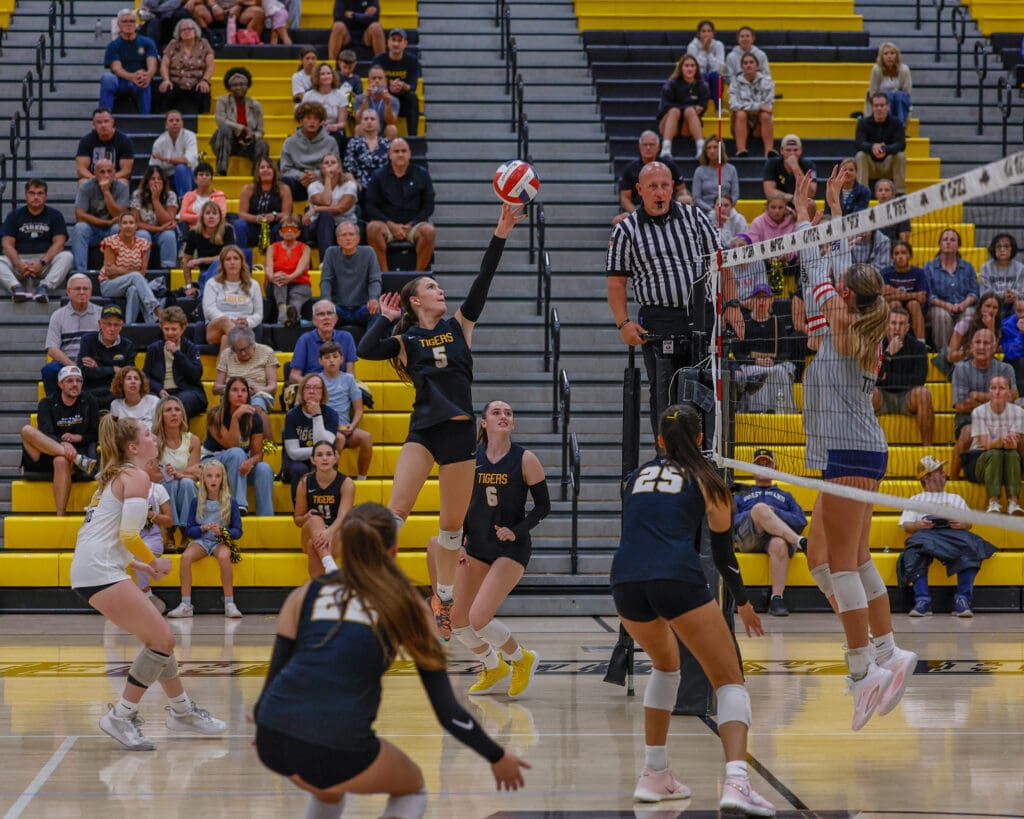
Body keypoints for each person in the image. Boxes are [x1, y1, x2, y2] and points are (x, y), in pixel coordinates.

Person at [254, 502, 528, 818]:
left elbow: (273, 682)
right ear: (394, 548)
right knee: (411, 789)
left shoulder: (304, 595)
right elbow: (447, 712)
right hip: (338, 741)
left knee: (329, 791)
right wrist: (497, 756)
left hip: (273, 737)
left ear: (341, 546)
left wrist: (270, 726)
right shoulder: (406, 603)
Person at [357, 204, 524, 639]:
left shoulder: (459, 325)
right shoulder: (406, 340)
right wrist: (384, 319)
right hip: (425, 430)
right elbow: (365, 351)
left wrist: (500, 231)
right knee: (398, 508)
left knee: (451, 528)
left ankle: (443, 600)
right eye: (431, 287)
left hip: (460, 434)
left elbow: (482, 283)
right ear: (415, 300)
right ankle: (365, 584)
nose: (440, 291)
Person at [794, 166, 917, 731]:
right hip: (851, 451)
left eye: (841, 286)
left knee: (840, 562)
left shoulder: (845, 325)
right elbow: (831, 269)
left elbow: (819, 271)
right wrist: (835, 209)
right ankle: (889, 653)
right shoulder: (857, 317)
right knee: (825, 558)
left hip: (852, 455)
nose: (835, 288)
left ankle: (861, 670)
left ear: (848, 296)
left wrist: (805, 221)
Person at [611, 404, 772, 813]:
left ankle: (654, 774)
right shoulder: (709, 481)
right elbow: (723, 557)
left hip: (625, 583)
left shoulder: (634, 478)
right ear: (701, 439)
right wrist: (746, 603)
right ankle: (736, 781)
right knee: (730, 679)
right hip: (676, 578)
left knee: (667, 667)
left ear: (660, 440)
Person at [69, 414, 227, 750]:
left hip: (93, 567)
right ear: (133, 446)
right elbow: (128, 534)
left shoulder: (118, 476)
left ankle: (182, 711)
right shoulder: (137, 476)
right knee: (163, 637)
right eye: (146, 433)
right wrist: (154, 560)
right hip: (98, 569)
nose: (153, 436)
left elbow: (110, 537)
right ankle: (121, 715)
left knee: (159, 638)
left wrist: (144, 565)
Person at [606, 161, 743, 434]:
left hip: (702, 316)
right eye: (653, 187)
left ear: (673, 187)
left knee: (703, 391)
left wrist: (732, 305)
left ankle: (704, 458)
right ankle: (666, 458)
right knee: (664, 394)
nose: (659, 192)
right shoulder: (626, 230)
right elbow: (616, 282)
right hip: (659, 321)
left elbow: (721, 264)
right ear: (639, 190)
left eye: (665, 185)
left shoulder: (695, 218)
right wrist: (623, 323)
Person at [450, 400, 550, 698]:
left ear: (513, 424)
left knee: (479, 618)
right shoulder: (471, 458)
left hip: (511, 549)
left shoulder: (525, 459)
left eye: (508, 413)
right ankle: (492, 665)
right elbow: (461, 503)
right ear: (484, 423)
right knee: (458, 621)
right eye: (496, 412)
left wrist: (515, 530)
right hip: (476, 547)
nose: (503, 416)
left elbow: (543, 507)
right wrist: (460, 542)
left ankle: (522, 658)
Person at [898, 455, 997, 617]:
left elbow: (969, 523)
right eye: (939, 471)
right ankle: (922, 600)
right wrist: (919, 525)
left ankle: (962, 600)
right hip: (926, 536)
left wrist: (962, 524)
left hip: (953, 535)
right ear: (926, 477)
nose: (944, 474)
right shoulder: (915, 499)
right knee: (913, 551)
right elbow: (906, 525)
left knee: (972, 547)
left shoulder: (955, 498)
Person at [734, 448, 808, 616]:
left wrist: (776, 512)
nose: (763, 466)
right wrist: (755, 514)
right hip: (749, 537)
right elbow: (730, 521)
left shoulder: (785, 495)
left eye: (767, 464)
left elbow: (801, 521)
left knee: (780, 544)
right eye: (759, 464)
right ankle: (799, 541)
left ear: (774, 468)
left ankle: (777, 599)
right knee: (760, 508)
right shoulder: (741, 492)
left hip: (775, 538)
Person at [167, 458, 245, 619]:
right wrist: (201, 528)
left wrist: (223, 532)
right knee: (186, 557)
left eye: (217, 476)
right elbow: (190, 530)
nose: (213, 480)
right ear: (203, 478)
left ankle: (230, 603)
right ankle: (186, 604)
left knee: (224, 556)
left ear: (223, 478)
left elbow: (238, 531)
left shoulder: (231, 502)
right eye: (209, 476)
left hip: (220, 541)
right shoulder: (197, 501)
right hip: (202, 541)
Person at [21, 365, 99, 515]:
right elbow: (46, 432)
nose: (75, 384)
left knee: (61, 460)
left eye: (78, 381)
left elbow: (95, 434)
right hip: (47, 452)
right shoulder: (47, 403)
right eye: (69, 381)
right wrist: (62, 444)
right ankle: (76, 458)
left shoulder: (90, 401)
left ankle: (60, 515)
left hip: (74, 455)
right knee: (26, 430)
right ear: (60, 384)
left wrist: (79, 437)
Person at [203, 375, 275, 516]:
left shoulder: (254, 417)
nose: (240, 394)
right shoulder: (215, 414)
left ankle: (266, 516)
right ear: (227, 393)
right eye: (235, 390)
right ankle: (238, 506)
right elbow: (232, 445)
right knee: (236, 453)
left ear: (248, 395)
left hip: (239, 465)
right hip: (212, 462)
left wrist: (250, 462)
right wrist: (236, 417)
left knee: (264, 469)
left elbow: (258, 455)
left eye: (243, 390)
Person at [950, 329, 1017, 479]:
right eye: (978, 342)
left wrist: (977, 395)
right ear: (971, 346)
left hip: (1002, 419)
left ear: (994, 347)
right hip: (969, 420)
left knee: (1021, 433)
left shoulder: (1006, 368)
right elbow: (961, 406)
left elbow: (1011, 399)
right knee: (967, 432)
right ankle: (952, 479)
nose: (981, 347)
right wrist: (996, 399)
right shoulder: (960, 369)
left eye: (986, 343)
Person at [366, 138, 436, 272]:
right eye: (396, 151)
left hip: (413, 224)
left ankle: (418, 276)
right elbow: (370, 206)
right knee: (372, 228)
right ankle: (384, 274)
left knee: (429, 231)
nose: (400, 154)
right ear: (390, 155)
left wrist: (411, 224)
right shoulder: (378, 176)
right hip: (387, 224)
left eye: (404, 151)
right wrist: (391, 224)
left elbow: (429, 206)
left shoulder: (422, 174)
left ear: (410, 153)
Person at [1, 178, 73, 304]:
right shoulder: (14, 215)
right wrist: (19, 264)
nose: (35, 197)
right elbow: (7, 244)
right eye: (32, 193)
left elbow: (60, 243)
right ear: (25, 195)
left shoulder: (55, 215)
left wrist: (42, 263)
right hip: (19, 260)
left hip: (46, 262)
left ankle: (44, 287)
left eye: (40, 193)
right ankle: (17, 288)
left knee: (67, 256)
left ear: (45, 196)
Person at [292, 440, 355, 578]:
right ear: (313, 460)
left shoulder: (346, 483)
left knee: (312, 545)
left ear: (336, 457)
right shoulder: (305, 482)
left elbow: (343, 516)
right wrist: (307, 517)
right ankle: (329, 564)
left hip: (336, 534)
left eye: (328, 454)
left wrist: (329, 532)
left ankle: (318, 590)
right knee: (315, 519)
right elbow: (297, 520)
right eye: (319, 455)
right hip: (311, 530)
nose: (325, 458)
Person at [731, 284, 797, 413]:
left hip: (773, 364)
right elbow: (737, 353)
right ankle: (756, 411)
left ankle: (783, 412)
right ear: (751, 300)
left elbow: (785, 351)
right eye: (758, 298)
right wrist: (755, 361)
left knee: (781, 372)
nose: (761, 301)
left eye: (765, 298)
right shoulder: (743, 322)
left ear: (771, 300)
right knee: (756, 372)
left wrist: (773, 361)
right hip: (750, 365)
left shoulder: (778, 322)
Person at [873, 306, 934, 446]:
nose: (897, 328)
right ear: (886, 325)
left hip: (907, 398)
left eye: (901, 324)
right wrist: (888, 354)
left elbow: (919, 380)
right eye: (893, 323)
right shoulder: (876, 344)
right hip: (882, 397)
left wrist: (886, 378)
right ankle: (862, 447)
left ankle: (928, 448)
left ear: (908, 327)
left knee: (923, 393)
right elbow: (873, 378)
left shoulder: (918, 347)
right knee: (867, 392)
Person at [964, 375, 1024, 515]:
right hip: (980, 461)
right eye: (993, 388)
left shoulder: (1019, 412)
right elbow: (986, 445)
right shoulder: (978, 412)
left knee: (1011, 453)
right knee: (995, 452)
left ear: (1009, 392)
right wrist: (1004, 441)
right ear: (989, 392)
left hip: (1008, 460)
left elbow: (1015, 442)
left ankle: (1013, 504)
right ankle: (993, 503)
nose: (997, 392)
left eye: (1002, 388)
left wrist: (1011, 443)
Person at [153, 394, 201, 550]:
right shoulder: (153, 441)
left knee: (186, 483)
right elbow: (152, 476)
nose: (173, 413)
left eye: (177, 410)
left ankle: (187, 533)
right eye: (168, 410)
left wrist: (179, 474)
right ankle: (169, 534)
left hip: (186, 487)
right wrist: (178, 474)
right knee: (169, 484)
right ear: (161, 415)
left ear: (182, 414)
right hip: (162, 489)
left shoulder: (192, 440)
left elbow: (196, 474)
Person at [318, 340, 373, 479]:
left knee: (366, 437)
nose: (331, 360)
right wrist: (335, 426)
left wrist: (352, 425)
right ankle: (330, 477)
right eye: (327, 357)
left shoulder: (349, 379)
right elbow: (316, 410)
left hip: (346, 428)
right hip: (325, 428)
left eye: (335, 357)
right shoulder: (317, 380)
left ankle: (362, 478)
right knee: (339, 438)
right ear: (320, 361)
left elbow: (359, 409)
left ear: (341, 359)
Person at [613, 131, 690, 226]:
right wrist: (638, 213)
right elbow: (625, 198)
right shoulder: (630, 168)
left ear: (658, 147)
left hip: (667, 206)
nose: (648, 147)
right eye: (645, 144)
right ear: (640, 147)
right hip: (639, 208)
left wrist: (684, 196)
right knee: (618, 221)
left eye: (651, 144)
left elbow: (682, 189)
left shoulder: (669, 166)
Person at [42, 274, 101, 396]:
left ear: (91, 291)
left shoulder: (101, 313)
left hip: (94, 364)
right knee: (50, 370)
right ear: (68, 292)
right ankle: (55, 407)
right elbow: (52, 349)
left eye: (85, 289)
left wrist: (97, 362)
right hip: (67, 364)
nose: (82, 292)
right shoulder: (58, 316)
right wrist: (74, 367)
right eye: (77, 288)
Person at [282, 372, 341, 496]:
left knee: (325, 467)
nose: (311, 391)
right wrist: (318, 453)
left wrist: (317, 416)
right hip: (295, 462)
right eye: (307, 387)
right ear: (302, 392)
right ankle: (299, 512)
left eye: (316, 388)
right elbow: (293, 453)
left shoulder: (331, 415)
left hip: (320, 461)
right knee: (301, 469)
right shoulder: (292, 415)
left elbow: (325, 445)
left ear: (323, 393)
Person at [98, 212, 162, 324]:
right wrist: (132, 274)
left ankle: (128, 325)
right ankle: (156, 309)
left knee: (134, 290)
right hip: (109, 285)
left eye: (131, 223)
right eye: (125, 223)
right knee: (135, 277)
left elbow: (142, 273)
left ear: (136, 226)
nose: (128, 226)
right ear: (119, 226)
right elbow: (110, 273)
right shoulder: (111, 242)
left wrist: (119, 270)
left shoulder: (143, 244)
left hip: (132, 284)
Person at [319, 222, 381, 336]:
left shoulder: (368, 252)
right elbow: (326, 280)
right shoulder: (331, 252)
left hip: (362, 307)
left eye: (351, 234)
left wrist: (373, 298)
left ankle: (370, 349)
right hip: (338, 308)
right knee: (321, 312)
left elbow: (375, 280)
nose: (348, 238)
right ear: (338, 239)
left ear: (358, 238)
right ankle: (327, 349)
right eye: (344, 235)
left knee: (380, 313)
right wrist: (326, 300)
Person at [215, 324, 279, 430]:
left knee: (256, 408)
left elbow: (273, 387)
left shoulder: (267, 352)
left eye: (245, 348)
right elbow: (216, 388)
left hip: (258, 394)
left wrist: (259, 390)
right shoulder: (226, 354)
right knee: (227, 409)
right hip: (232, 395)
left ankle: (267, 445)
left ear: (252, 343)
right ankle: (233, 443)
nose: (243, 353)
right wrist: (235, 390)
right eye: (238, 350)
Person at [925, 228, 979, 352]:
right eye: (945, 239)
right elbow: (928, 295)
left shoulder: (968, 267)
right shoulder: (929, 267)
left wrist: (963, 304)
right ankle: (945, 354)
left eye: (952, 240)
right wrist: (946, 305)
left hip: (963, 306)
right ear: (940, 244)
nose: (948, 242)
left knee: (971, 313)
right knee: (941, 315)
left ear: (958, 245)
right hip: (939, 307)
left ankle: (963, 352)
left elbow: (975, 292)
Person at [71, 158, 130, 272]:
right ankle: (81, 273)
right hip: (93, 230)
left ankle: (115, 270)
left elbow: (120, 215)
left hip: (112, 230)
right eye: (102, 172)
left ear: (114, 172)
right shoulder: (86, 186)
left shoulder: (122, 187)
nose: (106, 175)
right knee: (80, 228)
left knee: (118, 228)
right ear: (95, 173)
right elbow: (80, 215)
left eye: (109, 171)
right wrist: (106, 222)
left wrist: (106, 192)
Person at [211, 67, 270, 178]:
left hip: (247, 143)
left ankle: (257, 176)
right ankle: (221, 170)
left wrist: (252, 137)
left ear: (247, 86)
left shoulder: (256, 105)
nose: (239, 87)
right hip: (227, 141)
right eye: (235, 85)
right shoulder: (222, 101)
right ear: (229, 87)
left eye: (242, 84)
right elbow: (221, 121)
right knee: (224, 129)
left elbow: (260, 131)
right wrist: (243, 128)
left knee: (263, 145)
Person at [78, 304, 138, 412]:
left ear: (121, 326)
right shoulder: (87, 340)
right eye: (108, 324)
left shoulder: (128, 346)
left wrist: (98, 367)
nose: (112, 329)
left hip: (115, 392)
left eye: (116, 325)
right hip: (90, 391)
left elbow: (128, 375)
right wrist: (114, 369)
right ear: (100, 324)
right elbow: (83, 371)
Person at [202, 245, 264, 348]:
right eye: (228, 259)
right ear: (222, 263)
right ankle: (247, 349)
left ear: (241, 262)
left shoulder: (253, 285)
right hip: (215, 328)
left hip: (244, 328)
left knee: (226, 338)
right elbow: (209, 310)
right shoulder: (212, 283)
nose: (232, 262)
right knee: (224, 321)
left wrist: (247, 322)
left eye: (236, 258)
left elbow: (258, 314)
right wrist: (231, 321)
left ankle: (223, 364)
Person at [98, 9, 158, 115]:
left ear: (136, 24)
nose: (128, 24)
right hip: (121, 81)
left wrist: (147, 75)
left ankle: (145, 119)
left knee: (144, 81)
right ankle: (104, 116)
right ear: (119, 25)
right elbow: (116, 68)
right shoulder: (113, 46)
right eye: (125, 21)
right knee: (107, 78)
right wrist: (132, 76)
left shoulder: (147, 42)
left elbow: (152, 63)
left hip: (140, 80)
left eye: (131, 21)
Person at [304, 152, 358, 262]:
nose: (329, 165)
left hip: (344, 224)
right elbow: (326, 202)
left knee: (332, 218)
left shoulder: (350, 185)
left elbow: (340, 209)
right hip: (319, 226)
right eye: (326, 163)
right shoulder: (313, 186)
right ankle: (325, 262)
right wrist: (328, 179)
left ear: (339, 168)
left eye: (333, 162)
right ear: (321, 169)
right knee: (326, 215)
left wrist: (316, 209)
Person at [280, 102, 338, 202]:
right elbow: (285, 169)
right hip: (298, 182)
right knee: (283, 182)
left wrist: (317, 175)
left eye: (316, 119)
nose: (312, 122)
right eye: (308, 118)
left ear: (320, 122)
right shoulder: (289, 142)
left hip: (323, 182)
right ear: (301, 121)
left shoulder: (330, 142)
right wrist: (302, 176)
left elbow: (335, 167)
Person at [289, 300, 359, 381]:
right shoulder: (305, 340)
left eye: (329, 313)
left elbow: (350, 374)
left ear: (336, 318)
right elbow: (294, 376)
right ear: (314, 320)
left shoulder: (347, 337)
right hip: (313, 388)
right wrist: (316, 385)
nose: (326, 317)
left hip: (340, 387)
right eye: (321, 314)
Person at [656, 55, 709, 160]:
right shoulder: (671, 84)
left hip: (687, 125)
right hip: (668, 123)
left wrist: (691, 109)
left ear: (697, 68)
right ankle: (665, 149)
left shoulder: (702, 86)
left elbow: (702, 107)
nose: (690, 68)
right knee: (675, 111)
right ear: (681, 68)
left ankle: (701, 148)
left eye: (692, 66)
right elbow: (665, 106)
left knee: (690, 111)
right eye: (686, 66)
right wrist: (688, 107)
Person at [158, 19, 214, 117]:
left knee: (205, 89)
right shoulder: (173, 44)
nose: (187, 31)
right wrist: (166, 80)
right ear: (179, 33)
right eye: (183, 30)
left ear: (195, 30)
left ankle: (204, 118)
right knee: (166, 88)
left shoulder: (204, 43)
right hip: (176, 81)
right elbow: (164, 64)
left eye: (189, 29)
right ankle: (166, 118)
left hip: (196, 81)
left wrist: (204, 80)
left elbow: (210, 65)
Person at [372, 28, 421, 137]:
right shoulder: (378, 60)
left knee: (413, 97)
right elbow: (373, 83)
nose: (396, 44)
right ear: (388, 42)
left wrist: (402, 86)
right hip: (384, 97)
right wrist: (389, 88)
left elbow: (413, 86)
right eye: (393, 40)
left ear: (405, 43)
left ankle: (413, 137)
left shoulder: (412, 60)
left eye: (399, 41)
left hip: (403, 100)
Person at [235, 157, 293, 249]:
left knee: (284, 225)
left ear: (274, 171)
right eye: (262, 168)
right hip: (253, 228)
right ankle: (241, 257)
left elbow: (287, 213)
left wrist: (274, 216)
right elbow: (242, 214)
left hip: (274, 228)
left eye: (269, 167)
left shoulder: (284, 189)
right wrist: (256, 218)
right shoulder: (248, 189)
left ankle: (281, 259)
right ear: (257, 172)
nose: (265, 170)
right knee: (239, 224)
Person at [182, 201, 237, 295]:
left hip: (225, 272)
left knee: (218, 263)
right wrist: (189, 286)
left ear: (220, 217)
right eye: (207, 213)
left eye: (214, 213)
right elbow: (186, 260)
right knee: (206, 278)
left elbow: (227, 257)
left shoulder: (227, 230)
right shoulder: (194, 233)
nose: (211, 216)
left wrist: (201, 260)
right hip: (205, 273)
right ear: (202, 217)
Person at [855, 94, 907, 195]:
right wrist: (872, 147)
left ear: (888, 107)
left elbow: (901, 144)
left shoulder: (896, 123)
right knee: (860, 155)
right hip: (871, 166)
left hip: (888, 165)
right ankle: (862, 193)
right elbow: (858, 144)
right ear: (872, 107)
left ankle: (900, 194)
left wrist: (885, 149)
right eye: (876, 105)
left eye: (882, 105)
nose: (879, 108)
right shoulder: (863, 123)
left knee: (900, 156)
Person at [134, 479, 172, 614]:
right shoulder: (124, 487)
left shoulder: (158, 489)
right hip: (131, 536)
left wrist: (152, 515)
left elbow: (169, 521)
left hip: (152, 537)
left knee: (140, 552)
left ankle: (145, 594)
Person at [266, 214, 312, 324]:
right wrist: (272, 277)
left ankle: (293, 314)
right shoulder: (272, 248)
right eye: (286, 228)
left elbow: (301, 268)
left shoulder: (305, 248)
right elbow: (268, 267)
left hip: (300, 283)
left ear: (298, 233)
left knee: (295, 296)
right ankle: (282, 311)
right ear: (280, 232)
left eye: (293, 228)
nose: (289, 231)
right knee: (280, 279)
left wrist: (290, 277)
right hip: (275, 284)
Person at [727, 53, 775, 157]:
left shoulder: (767, 81)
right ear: (741, 66)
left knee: (765, 115)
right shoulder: (735, 82)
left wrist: (750, 107)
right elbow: (734, 105)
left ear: (757, 65)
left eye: (751, 62)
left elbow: (768, 106)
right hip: (741, 123)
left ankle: (769, 151)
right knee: (740, 114)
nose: (748, 65)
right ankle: (741, 150)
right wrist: (758, 107)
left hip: (759, 124)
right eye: (745, 63)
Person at [131, 167, 179, 270]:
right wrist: (159, 229)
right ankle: (141, 270)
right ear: (147, 182)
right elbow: (136, 223)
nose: (156, 181)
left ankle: (168, 271)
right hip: (144, 231)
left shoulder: (171, 195)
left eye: (159, 179)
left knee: (169, 235)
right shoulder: (137, 194)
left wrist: (155, 200)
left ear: (164, 181)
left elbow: (168, 222)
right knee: (143, 235)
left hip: (162, 233)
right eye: (153, 179)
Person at [881, 240, 928, 340]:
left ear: (910, 255)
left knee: (913, 304)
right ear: (892, 257)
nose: (900, 256)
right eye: (896, 253)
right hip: (892, 306)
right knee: (895, 303)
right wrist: (915, 295)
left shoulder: (919, 272)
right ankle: (892, 342)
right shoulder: (885, 272)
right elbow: (885, 297)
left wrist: (893, 291)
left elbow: (922, 298)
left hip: (914, 309)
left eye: (903, 253)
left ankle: (921, 343)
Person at [945, 291, 1002, 374]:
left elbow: (991, 353)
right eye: (988, 306)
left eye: (995, 307)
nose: (991, 310)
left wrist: (991, 329)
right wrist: (972, 351)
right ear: (980, 307)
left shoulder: (997, 327)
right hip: (964, 365)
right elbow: (951, 357)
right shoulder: (965, 323)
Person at [149, 109, 200, 199]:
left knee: (181, 168)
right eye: (171, 120)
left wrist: (166, 159)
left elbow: (188, 160)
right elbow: (154, 166)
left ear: (182, 123)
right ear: (166, 125)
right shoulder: (159, 142)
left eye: (177, 120)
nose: (174, 123)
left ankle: (185, 200)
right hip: (168, 177)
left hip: (190, 176)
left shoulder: (190, 136)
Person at [301, 64, 352, 154]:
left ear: (333, 76)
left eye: (328, 73)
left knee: (337, 135)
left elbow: (342, 123)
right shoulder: (308, 96)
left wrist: (335, 126)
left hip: (333, 129)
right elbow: (304, 118)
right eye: (322, 74)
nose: (326, 76)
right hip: (314, 127)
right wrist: (318, 124)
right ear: (317, 77)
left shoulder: (341, 96)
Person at [75, 108, 135, 183]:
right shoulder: (85, 141)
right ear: (94, 124)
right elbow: (81, 169)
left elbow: (126, 171)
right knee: (82, 182)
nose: (103, 125)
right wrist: (96, 179)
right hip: (94, 180)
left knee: (123, 182)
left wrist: (109, 179)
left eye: (106, 121)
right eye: (99, 122)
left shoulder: (125, 141)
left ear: (112, 122)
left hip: (115, 179)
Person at [345, 108, 392, 195]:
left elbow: (392, 168)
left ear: (378, 123)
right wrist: (353, 182)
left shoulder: (387, 144)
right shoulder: (354, 143)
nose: (369, 121)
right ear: (361, 123)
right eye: (366, 119)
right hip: (360, 187)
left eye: (372, 119)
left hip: (383, 185)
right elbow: (348, 169)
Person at [866, 42, 912, 125]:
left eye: (892, 53)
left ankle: (900, 127)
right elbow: (873, 93)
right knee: (888, 96)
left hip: (900, 104)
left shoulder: (904, 70)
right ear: (881, 56)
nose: (889, 56)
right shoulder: (876, 69)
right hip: (881, 104)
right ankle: (887, 126)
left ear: (897, 56)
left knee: (899, 96)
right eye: (886, 53)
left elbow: (907, 93)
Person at [980, 233, 1024, 318]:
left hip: (1014, 306)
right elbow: (984, 294)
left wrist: (1013, 294)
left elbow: (1021, 292)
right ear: (994, 249)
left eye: (1006, 246)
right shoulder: (985, 268)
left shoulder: (1020, 268)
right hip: (993, 306)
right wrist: (1002, 296)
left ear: (1012, 249)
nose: (1002, 249)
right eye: (999, 246)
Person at [762, 134, 816, 204]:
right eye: (788, 150)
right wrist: (792, 198)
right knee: (775, 204)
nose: (792, 153)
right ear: (781, 151)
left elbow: (811, 194)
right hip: (781, 204)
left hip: (801, 203)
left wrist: (795, 168)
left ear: (801, 150)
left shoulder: (809, 165)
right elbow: (769, 192)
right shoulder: (772, 163)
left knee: (811, 204)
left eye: (795, 150)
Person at [690, 136, 739, 212]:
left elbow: (735, 195)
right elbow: (696, 198)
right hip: (706, 211)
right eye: (708, 148)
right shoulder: (699, 171)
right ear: (705, 151)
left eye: (715, 147)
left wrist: (725, 207)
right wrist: (712, 209)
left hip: (726, 210)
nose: (712, 151)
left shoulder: (731, 169)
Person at [352, 66, 400, 141]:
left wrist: (387, 103)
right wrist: (366, 99)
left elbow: (391, 121)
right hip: (366, 130)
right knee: (358, 128)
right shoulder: (359, 98)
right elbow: (358, 120)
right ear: (368, 81)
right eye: (374, 78)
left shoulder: (393, 100)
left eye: (380, 78)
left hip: (383, 132)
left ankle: (388, 152)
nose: (377, 81)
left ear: (385, 81)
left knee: (392, 128)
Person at [178, 161, 227, 233]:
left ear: (211, 179)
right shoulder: (188, 195)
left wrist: (193, 217)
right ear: (195, 179)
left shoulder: (219, 196)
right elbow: (182, 216)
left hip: (214, 231)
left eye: (207, 175)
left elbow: (221, 216)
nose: (204, 177)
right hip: (192, 231)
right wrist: (207, 218)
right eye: (201, 175)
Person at [686, 20, 725, 97]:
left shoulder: (718, 45)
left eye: (709, 31)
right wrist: (703, 51)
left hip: (714, 79)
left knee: (716, 76)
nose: (706, 34)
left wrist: (709, 53)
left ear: (713, 34)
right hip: (697, 79)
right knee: (703, 76)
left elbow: (718, 68)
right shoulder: (692, 46)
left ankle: (718, 107)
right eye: (703, 31)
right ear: (698, 34)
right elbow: (695, 69)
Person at [874, 179, 911, 243]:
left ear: (893, 194)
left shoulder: (901, 213)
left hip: (893, 249)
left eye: (887, 190)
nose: (883, 193)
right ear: (876, 194)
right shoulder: (871, 214)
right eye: (880, 190)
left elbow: (904, 240)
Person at [1001, 297, 1024, 384]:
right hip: (1016, 362)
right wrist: (1021, 334)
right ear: (1014, 311)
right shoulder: (1007, 325)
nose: (1023, 315)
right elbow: (1011, 353)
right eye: (1019, 311)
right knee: (1021, 362)